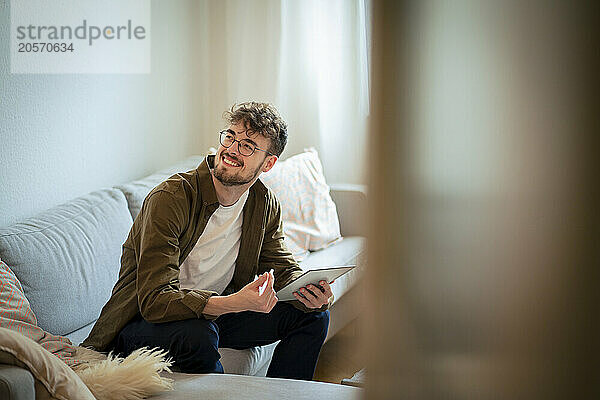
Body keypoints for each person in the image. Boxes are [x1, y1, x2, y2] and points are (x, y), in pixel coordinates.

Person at [82, 102, 333, 381]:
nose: (233, 149)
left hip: (215, 314)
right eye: (230, 137)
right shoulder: (170, 198)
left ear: (269, 163)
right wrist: (233, 303)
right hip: (147, 321)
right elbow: (154, 301)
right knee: (199, 334)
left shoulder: (263, 203)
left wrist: (311, 289)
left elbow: (281, 265)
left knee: (313, 317)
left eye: (248, 145)